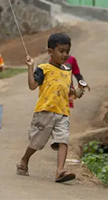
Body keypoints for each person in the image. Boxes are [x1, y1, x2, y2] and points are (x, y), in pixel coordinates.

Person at [18, 33, 84, 183]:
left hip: (63, 113)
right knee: (37, 142)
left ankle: (60, 171)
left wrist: (77, 92)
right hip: (45, 111)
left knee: (63, 140)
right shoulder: (44, 69)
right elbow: (32, 86)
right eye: (61, 51)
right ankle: (24, 160)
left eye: (67, 51)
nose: (65, 54)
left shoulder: (67, 71)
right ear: (50, 52)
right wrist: (31, 68)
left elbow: (69, 90)